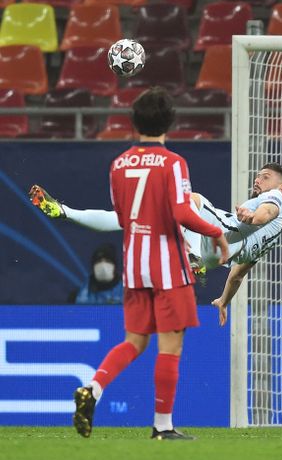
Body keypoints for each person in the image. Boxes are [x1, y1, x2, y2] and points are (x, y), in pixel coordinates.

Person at [70, 86, 229, 440]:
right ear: (170, 122)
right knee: (170, 344)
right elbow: (181, 211)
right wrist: (215, 232)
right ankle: (162, 426)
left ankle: (93, 389)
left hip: (134, 265)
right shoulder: (174, 163)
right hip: (168, 265)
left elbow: (123, 216)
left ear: (132, 123)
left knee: (134, 341)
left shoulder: (118, 164)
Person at [29, 163, 282, 326]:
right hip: (216, 253)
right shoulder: (271, 236)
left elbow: (266, 212)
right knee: (137, 219)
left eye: (265, 176)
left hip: (218, 233)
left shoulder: (275, 197)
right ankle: (64, 211)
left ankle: (188, 251)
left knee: (191, 199)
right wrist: (223, 300)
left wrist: (252, 217)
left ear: (281, 186)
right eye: (257, 176)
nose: (258, 180)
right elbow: (238, 274)